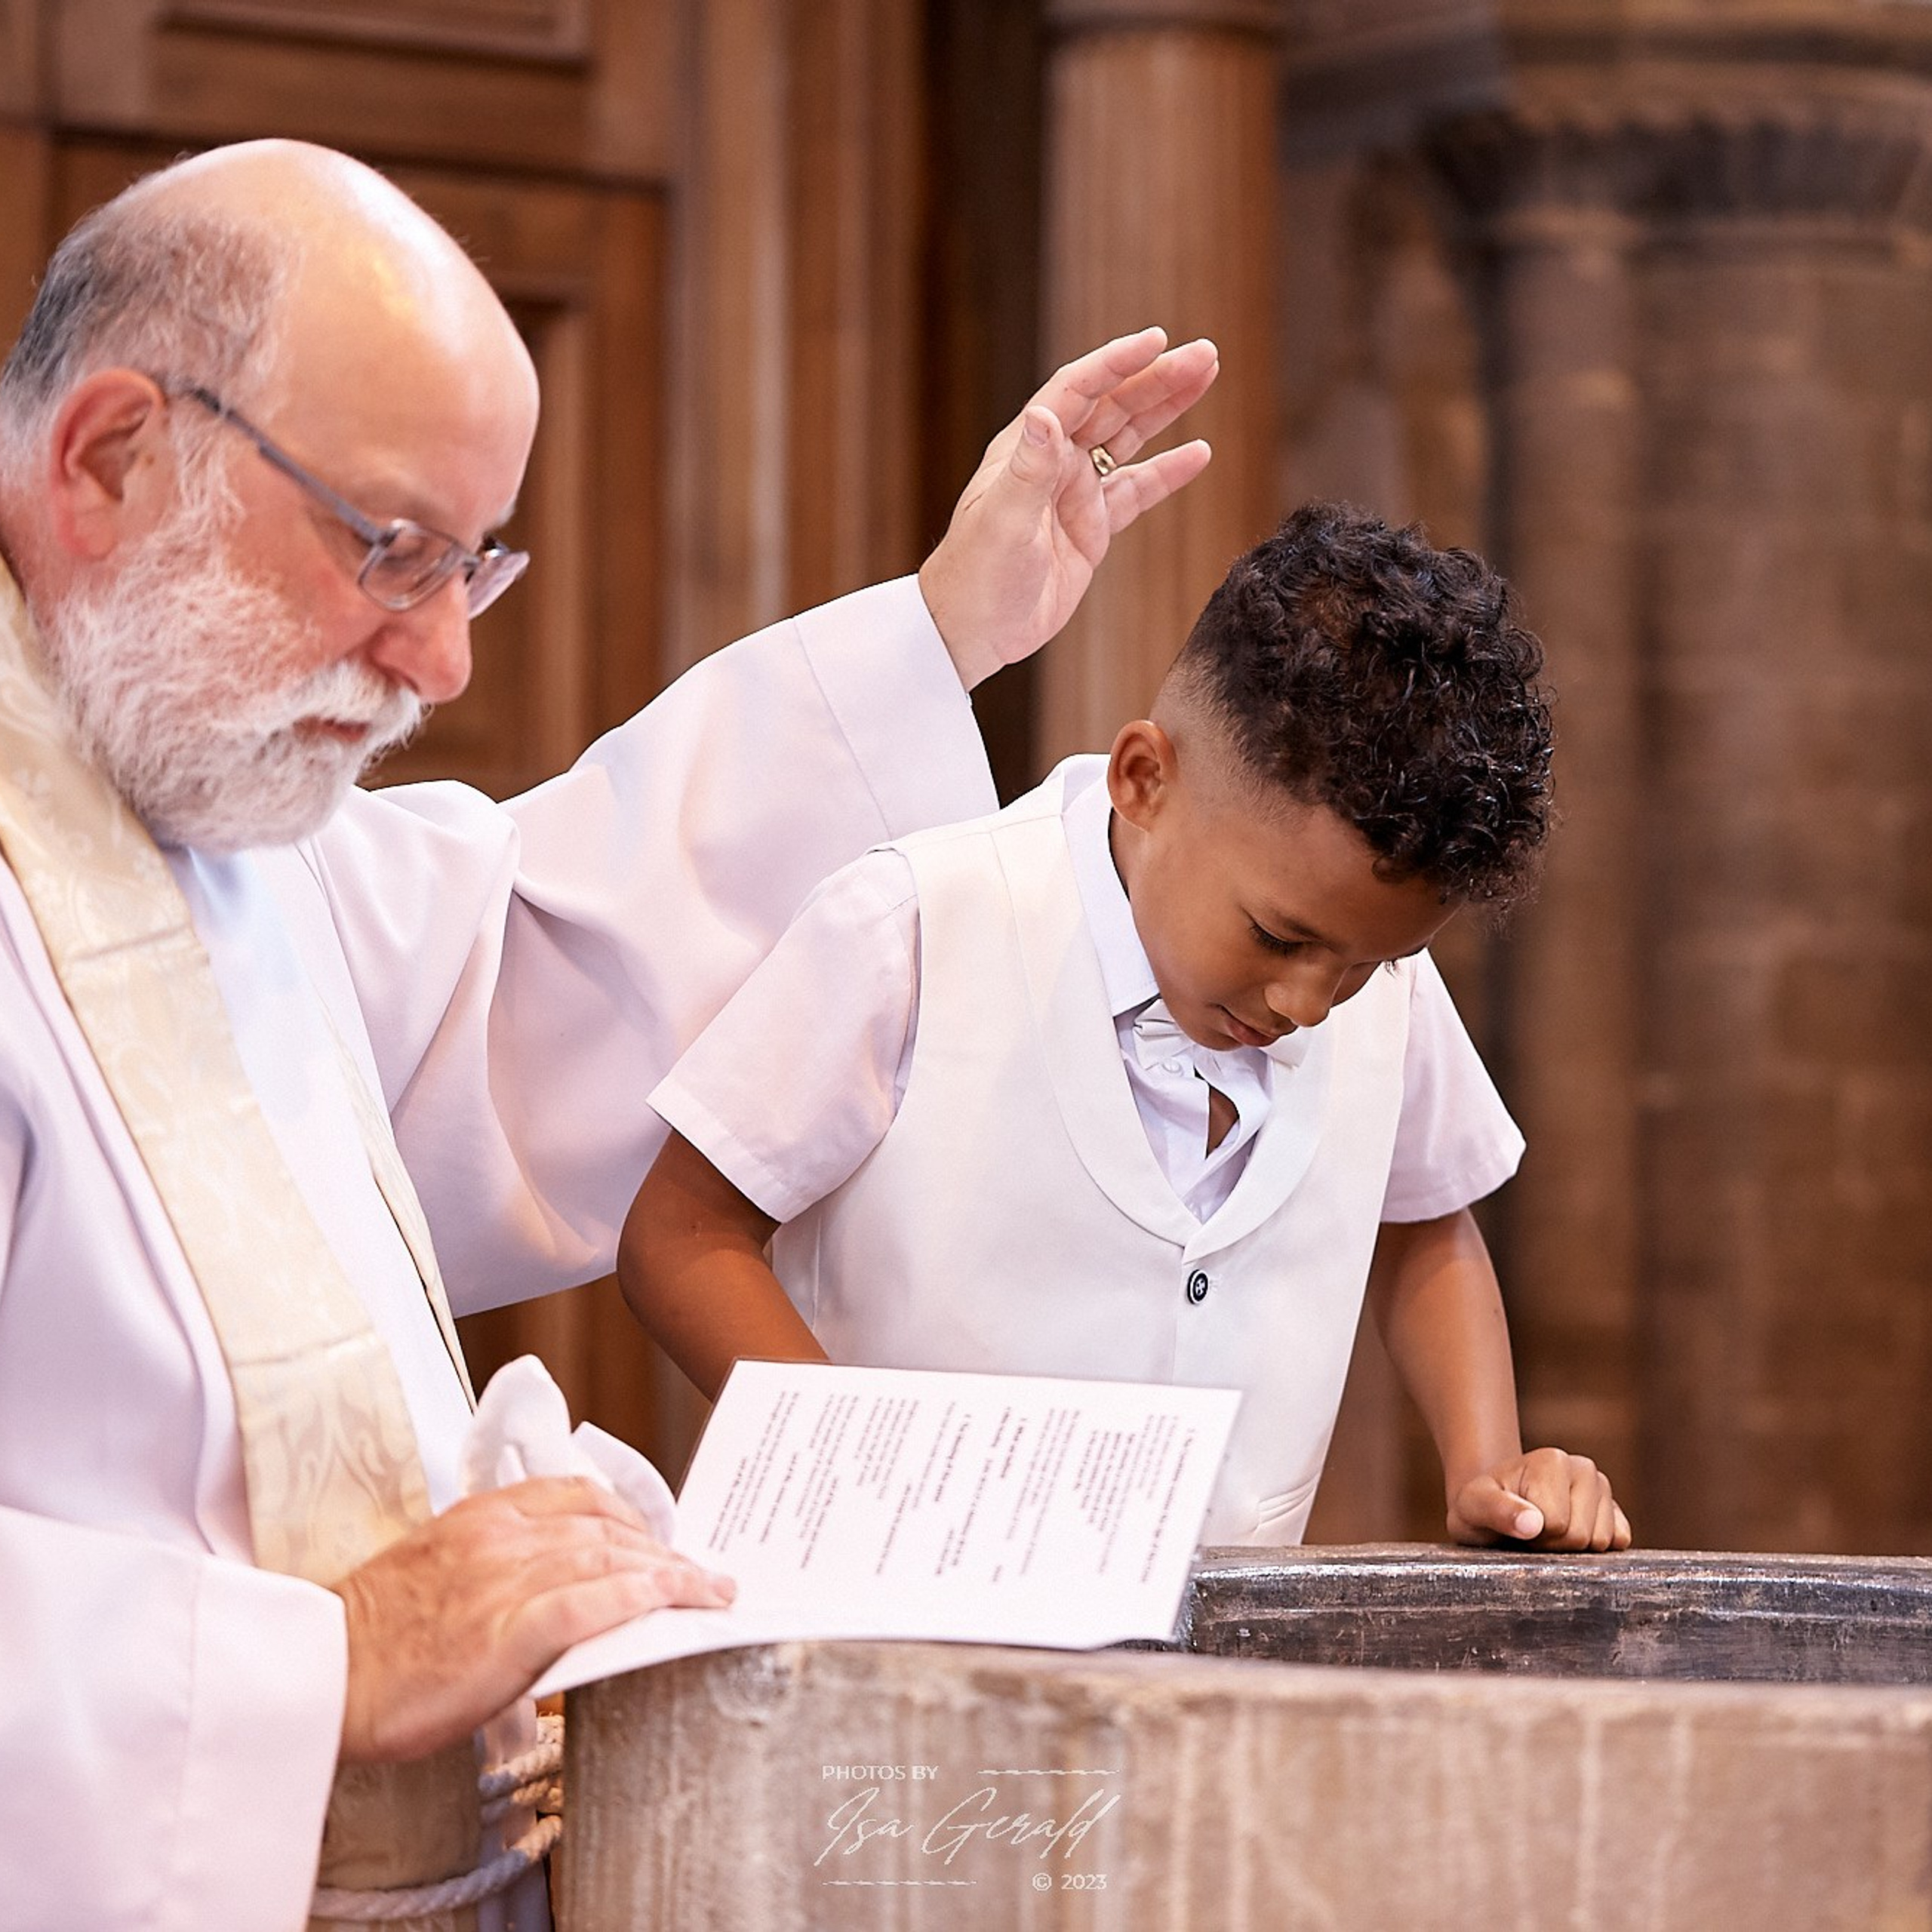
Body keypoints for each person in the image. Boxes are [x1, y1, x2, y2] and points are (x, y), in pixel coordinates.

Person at [0, 136, 1220, 1931]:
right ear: (111, 458)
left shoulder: (184, 789)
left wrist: (942, 631)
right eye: (388, 548)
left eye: (469, 570)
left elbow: (520, 955)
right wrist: (309, 1664)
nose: (440, 662)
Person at [621, 502, 1633, 1554]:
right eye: (1276, 936)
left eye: (1371, 964)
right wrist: (861, 1460)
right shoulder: (914, 925)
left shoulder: (1381, 987)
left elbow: (1429, 1223)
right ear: (1144, 778)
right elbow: (680, 1237)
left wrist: (1488, 1466)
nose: (1308, 1005)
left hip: (1210, 1672)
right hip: (876, 1633)